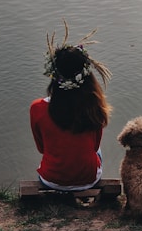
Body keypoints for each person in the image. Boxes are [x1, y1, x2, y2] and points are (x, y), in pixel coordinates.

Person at [30, 23, 112, 191]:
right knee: (97, 151)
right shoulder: (94, 106)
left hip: (51, 179)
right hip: (88, 179)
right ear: (86, 75)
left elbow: (41, 149)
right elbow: (95, 147)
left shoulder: (37, 108)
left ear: (53, 75)